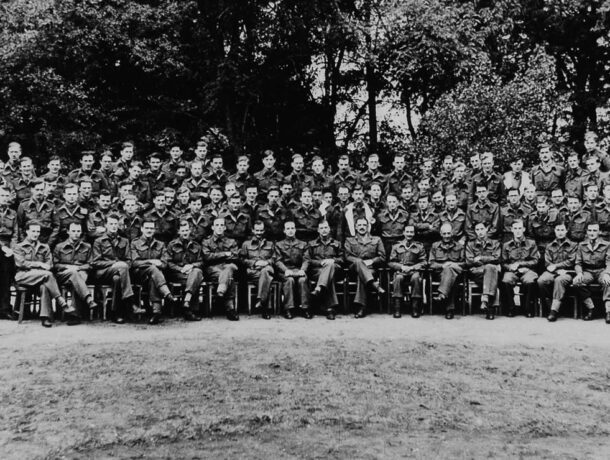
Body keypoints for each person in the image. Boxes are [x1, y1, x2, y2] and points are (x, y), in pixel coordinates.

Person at [14, 221, 78, 327]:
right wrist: (39, 264)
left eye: (38, 231)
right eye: (33, 231)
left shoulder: (45, 247)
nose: (35, 234)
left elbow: (49, 264)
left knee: (45, 285)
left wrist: (40, 269)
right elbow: (21, 263)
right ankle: (61, 301)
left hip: (42, 277)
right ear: (27, 231)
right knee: (47, 275)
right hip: (24, 276)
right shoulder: (19, 247)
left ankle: (45, 317)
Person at [91, 213, 145, 324]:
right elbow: (95, 262)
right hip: (103, 273)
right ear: (106, 225)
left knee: (117, 279)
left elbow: (129, 261)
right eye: (111, 224)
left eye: (116, 224)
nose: (114, 226)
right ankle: (130, 303)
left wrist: (120, 265)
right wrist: (114, 264)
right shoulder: (99, 241)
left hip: (120, 273)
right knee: (121, 266)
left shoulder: (124, 241)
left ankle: (116, 313)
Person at [130, 219, 177, 325]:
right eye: (146, 228)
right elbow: (134, 263)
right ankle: (166, 293)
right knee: (153, 269)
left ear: (155, 230)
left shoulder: (160, 244)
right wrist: (151, 262)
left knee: (153, 276)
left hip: (155, 277)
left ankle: (156, 313)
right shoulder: (134, 243)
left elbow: (165, 263)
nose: (149, 230)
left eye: (151, 228)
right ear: (142, 229)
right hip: (139, 275)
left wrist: (159, 264)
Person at [344, 217, 386, 318]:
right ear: (355, 227)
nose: (362, 227)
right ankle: (374, 285)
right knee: (359, 262)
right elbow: (347, 256)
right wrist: (360, 262)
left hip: (370, 269)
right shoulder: (349, 240)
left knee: (361, 276)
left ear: (368, 227)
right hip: (353, 268)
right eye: (359, 225)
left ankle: (361, 307)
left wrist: (371, 261)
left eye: (364, 225)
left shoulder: (376, 239)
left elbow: (382, 257)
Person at [53, 222, 97, 317]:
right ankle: (88, 298)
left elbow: (90, 265)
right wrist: (66, 267)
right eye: (73, 231)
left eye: (78, 231)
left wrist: (78, 268)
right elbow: (55, 265)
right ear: (68, 232)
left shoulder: (87, 246)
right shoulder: (59, 246)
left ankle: (74, 313)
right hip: (63, 275)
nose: (76, 233)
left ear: (81, 232)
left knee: (78, 275)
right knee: (76, 274)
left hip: (80, 273)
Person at [537, 223, 577, 322]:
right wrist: (555, 269)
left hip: (567, 272)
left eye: (562, 230)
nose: (560, 233)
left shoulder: (573, 245)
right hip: (552, 271)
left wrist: (557, 266)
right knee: (541, 280)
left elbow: (571, 261)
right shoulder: (549, 246)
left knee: (559, 280)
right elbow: (547, 262)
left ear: (566, 231)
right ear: (554, 231)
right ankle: (549, 305)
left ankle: (554, 311)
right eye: (558, 230)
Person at [201, 217, 240, 321]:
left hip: (229, 266)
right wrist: (225, 254)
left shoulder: (231, 241)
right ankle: (230, 309)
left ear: (225, 227)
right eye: (217, 225)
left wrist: (216, 256)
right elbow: (207, 257)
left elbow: (235, 256)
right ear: (213, 227)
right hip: (213, 268)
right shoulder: (206, 242)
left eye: (222, 225)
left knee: (229, 269)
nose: (219, 227)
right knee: (228, 277)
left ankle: (222, 288)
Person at [304, 220, 343, 320]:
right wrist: (320, 262)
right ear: (318, 230)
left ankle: (318, 289)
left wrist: (332, 260)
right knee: (328, 277)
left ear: (329, 229)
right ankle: (330, 309)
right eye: (321, 228)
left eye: (326, 227)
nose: (324, 230)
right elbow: (307, 260)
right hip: (317, 271)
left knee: (330, 266)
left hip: (335, 270)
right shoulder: (311, 244)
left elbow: (343, 259)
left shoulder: (337, 244)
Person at [500, 219, 540, 317]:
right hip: (512, 271)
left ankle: (527, 309)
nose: (518, 231)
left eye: (520, 228)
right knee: (506, 280)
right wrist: (511, 268)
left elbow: (535, 261)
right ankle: (511, 308)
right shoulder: (506, 245)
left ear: (524, 229)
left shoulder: (531, 243)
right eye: (515, 228)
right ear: (512, 230)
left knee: (530, 280)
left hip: (527, 270)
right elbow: (503, 263)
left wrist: (522, 265)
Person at [165, 220, 203, 321]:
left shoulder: (196, 245)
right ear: (178, 231)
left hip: (191, 273)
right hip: (177, 274)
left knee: (197, 272)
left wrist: (191, 266)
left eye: (187, 230)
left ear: (190, 230)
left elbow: (201, 262)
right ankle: (189, 310)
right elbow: (168, 262)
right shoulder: (172, 245)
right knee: (196, 278)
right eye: (183, 230)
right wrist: (181, 269)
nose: (185, 232)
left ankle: (187, 301)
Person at [573, 222, 610, 323]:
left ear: (599, 232)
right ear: (586, 232)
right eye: (589, 230)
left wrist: (607, 273)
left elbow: (609, 261)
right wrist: (579, 273)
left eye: (594, 230)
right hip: (587, 271)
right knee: (577, 283)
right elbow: (578, 263)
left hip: (601, 270)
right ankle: (591, 309)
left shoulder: (607, 245)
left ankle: (608, 311)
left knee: (608, 282)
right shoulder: (582, 245)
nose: (592, 233)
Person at [274, 220, 311, 319]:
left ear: (295, 230)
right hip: (285, 271)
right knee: (289, 280)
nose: (290, 231)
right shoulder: (278, 244)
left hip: (299, 270)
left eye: (292, 228)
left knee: (303, 280)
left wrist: (303, 270)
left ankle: (305, 308)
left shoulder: (303, 244)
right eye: (288, 228)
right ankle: (288, 308)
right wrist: (285, 270)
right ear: (284, 231)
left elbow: (306, 259)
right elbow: (278, 261)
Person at [239, 221, 276, 319]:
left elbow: (274, 258)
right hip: (253, 271)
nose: (259, 233)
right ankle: (264, 306)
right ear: (253, 230)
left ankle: (261, 300)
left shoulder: (270, 244)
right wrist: (255, 263)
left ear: (264, 230)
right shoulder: (246, 244)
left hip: (267, 268)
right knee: (265, 278)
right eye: (257, 230)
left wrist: (266, 262)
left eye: (261, 230)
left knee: (265, 271)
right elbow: (242, 259)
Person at [388, 225, 426, 318]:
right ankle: (397, 308)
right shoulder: (396, 246)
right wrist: (401, 266)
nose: (409, 234)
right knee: (398, 278)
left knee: (416, 278)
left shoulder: (419, 246)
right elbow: (391, 262)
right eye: (407, 232)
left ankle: (415, 308)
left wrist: (413, 267)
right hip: (401, 271)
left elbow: (424, 262)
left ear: (414, 233)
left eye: (411, 232)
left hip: (414, 271)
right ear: (403, 233)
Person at [465, 222, 501, 319]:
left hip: (489, 272)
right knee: (491, 270)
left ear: (486, 229)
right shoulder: (470, 244)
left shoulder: (495, 243)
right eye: (477, 230)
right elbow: (469, 261)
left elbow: (497, 258)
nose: (480, 232)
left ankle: (486, 300)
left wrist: (480, 258)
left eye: (482, 229)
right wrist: (488, 261)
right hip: (477, 272)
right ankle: (490, 307)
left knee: (490, 269)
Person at [429, 223, 464, 319]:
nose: (447, 236)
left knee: (450, 272)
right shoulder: (435, 246)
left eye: (448, 233)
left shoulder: (459, 246)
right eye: (444, 233)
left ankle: (442, 294)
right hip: (439, 273)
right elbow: (431, 263)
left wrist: (453, 265)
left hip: (456, 272)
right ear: (440, 233)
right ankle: (450, 309)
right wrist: (443, 266)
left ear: (452, 233)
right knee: (450, 275)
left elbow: (465, 263)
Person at [0, 186, 18, 320]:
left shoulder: (13, 214)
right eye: (2, 195)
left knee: (7, 276)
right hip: (1, 246)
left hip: (8, 249)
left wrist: (12, 248)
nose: (4, 198)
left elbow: (15, 234)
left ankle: (5, 308)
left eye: (6, 196)